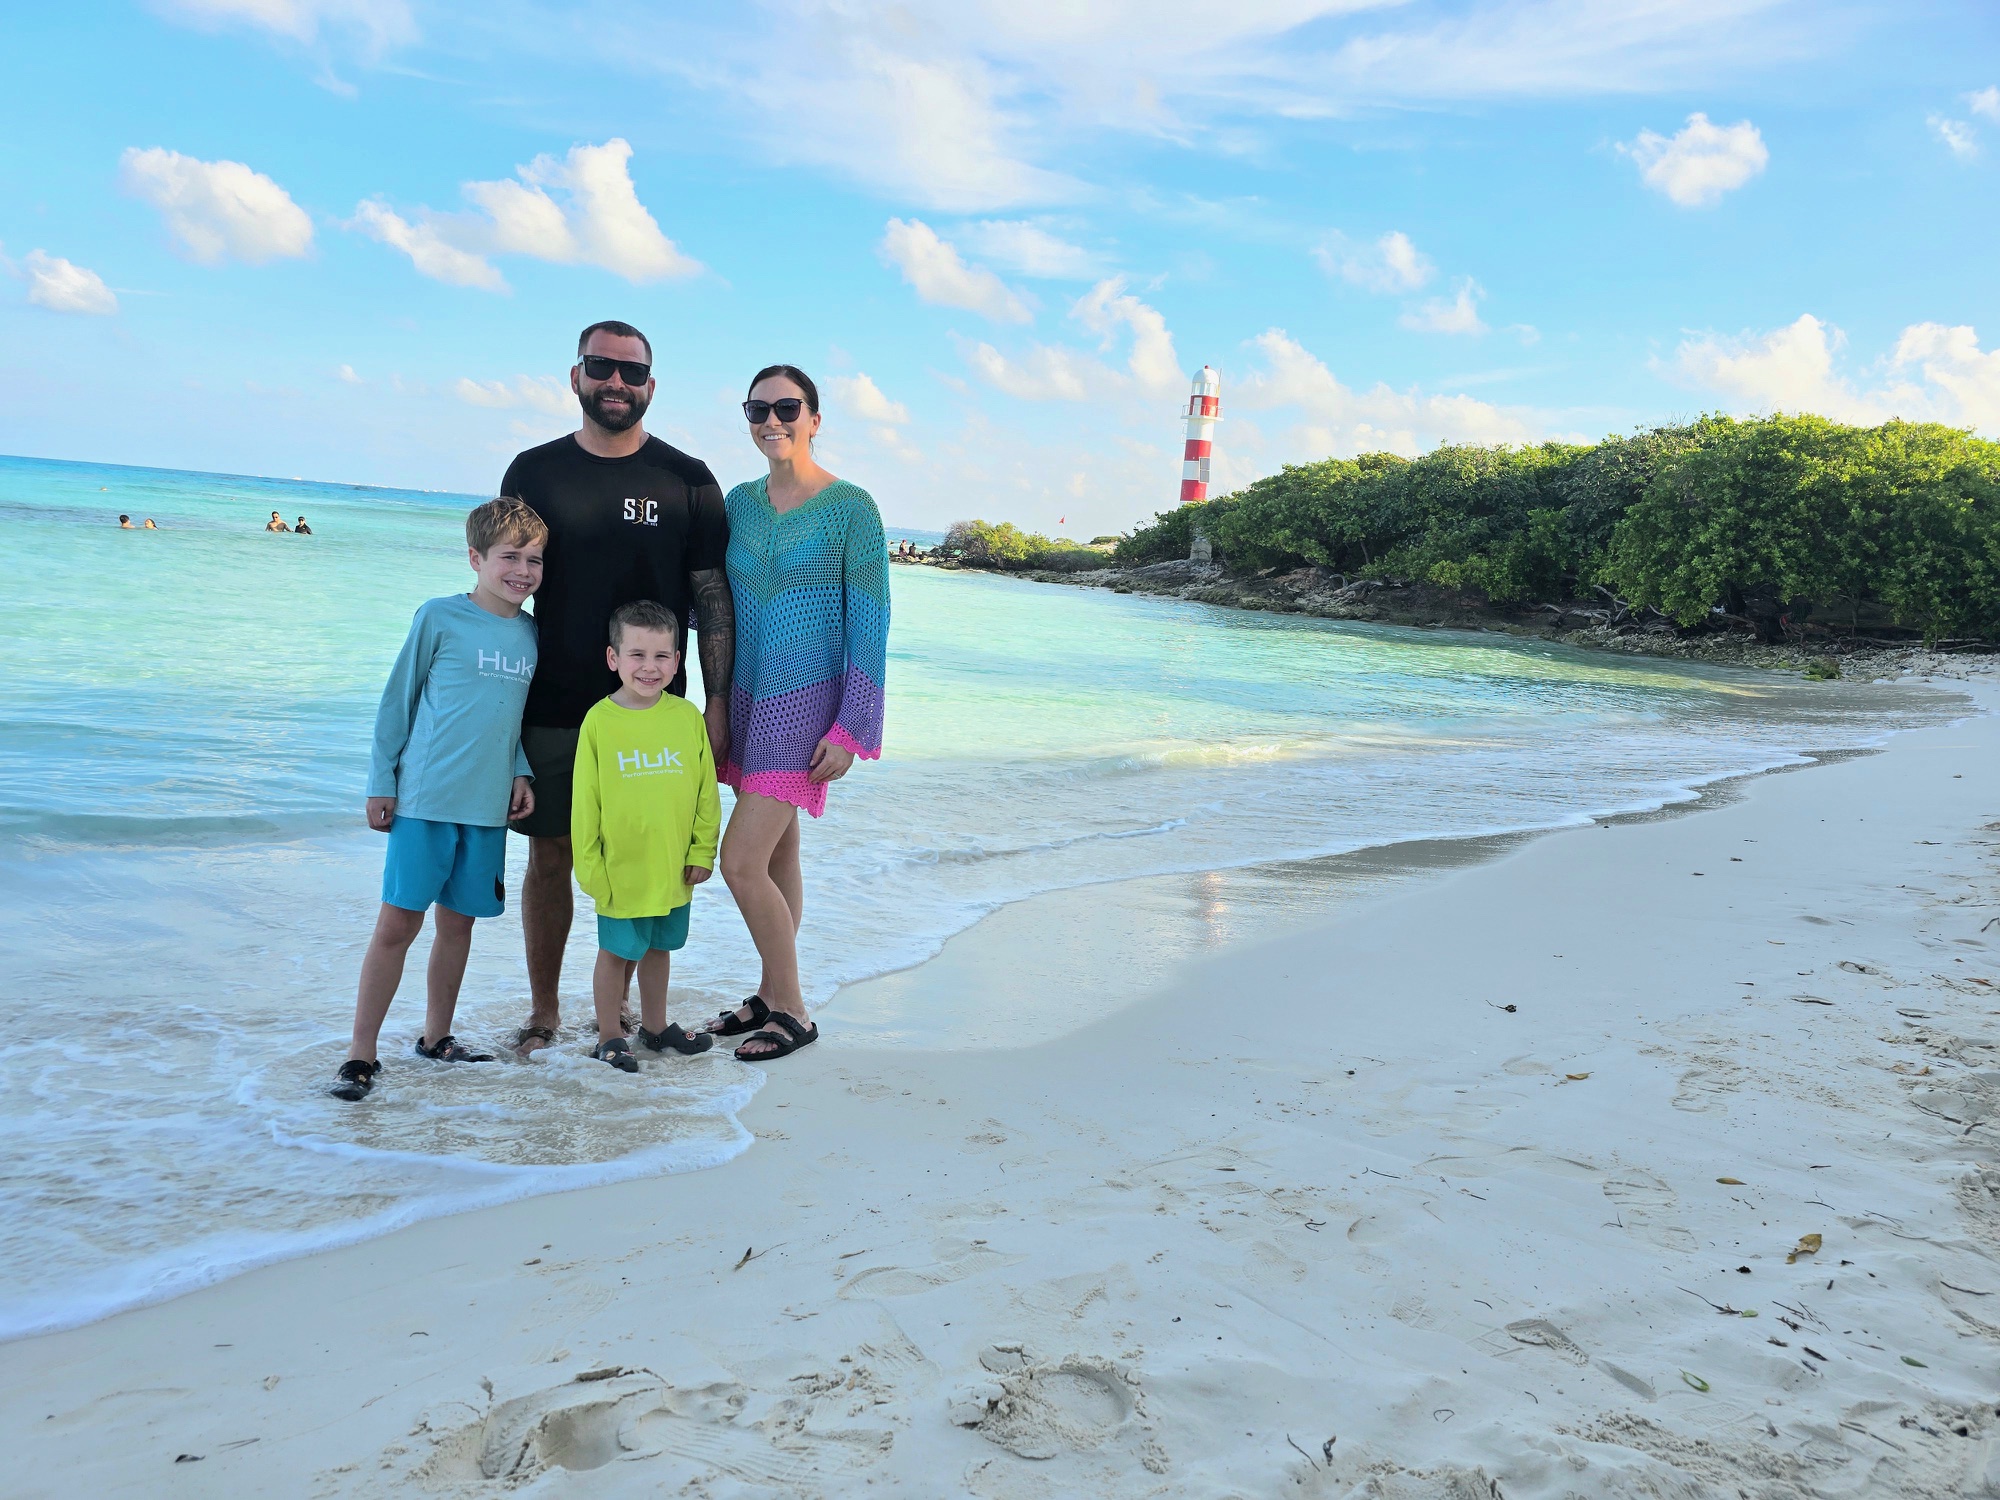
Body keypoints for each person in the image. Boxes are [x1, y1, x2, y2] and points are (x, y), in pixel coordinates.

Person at [499, 320, 734, 1057]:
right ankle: (544, 1012)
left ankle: (623, 1012)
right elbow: (508, 588)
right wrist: (493, 715)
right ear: (576, 376)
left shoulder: (688, 479)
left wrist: (716, 705)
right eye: (602, 367)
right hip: (554, 703)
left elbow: (713, 599)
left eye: (632, 373)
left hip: (657, 714)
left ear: (651, 389)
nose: (616, 383)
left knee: (649, 856)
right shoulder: (533, 472)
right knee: (550, 856)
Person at [329, 497, 545, 1101]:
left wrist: (521, 771)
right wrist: (381, 780)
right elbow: (398, 701)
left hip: (486, 808)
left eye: (534, 560)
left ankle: (435, 1037)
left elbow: (513, 718)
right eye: (509, 557)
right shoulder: (439, 617)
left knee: (459, 926)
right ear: (476, 558)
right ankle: (360, 1053)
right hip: (425, 799)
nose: (522, 571)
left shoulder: (531, 633)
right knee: (398, 924)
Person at [708, 365, 888, 1061]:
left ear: (815, 418)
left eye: (788, 407)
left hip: (807, 714)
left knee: (740, 860)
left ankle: (794, 1010)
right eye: (758, 408)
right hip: (748, 702)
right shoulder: (740, 505)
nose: (772, 420)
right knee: (779, 853)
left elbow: (870, 624)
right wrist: (714, 699)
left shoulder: (852, 509)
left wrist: (852, 727)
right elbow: (718, 607)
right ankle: (766, 994)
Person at [572, 600, 719, 1071]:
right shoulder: (600, 720)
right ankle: (611, 1036)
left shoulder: (686, 718)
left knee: (660, 948)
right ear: (613, 658)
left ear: (677, 661)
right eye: (636, 655)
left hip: (674, 864)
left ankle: (656, 1027)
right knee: (615, 952)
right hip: (621, 869)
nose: (649, 667)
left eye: (661, 656)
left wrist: (702, 849)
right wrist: (591, 868)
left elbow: (705, 793)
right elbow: (585, 802)